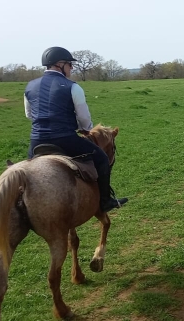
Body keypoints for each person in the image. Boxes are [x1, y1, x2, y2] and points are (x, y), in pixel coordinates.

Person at [24, 46, 128, 212]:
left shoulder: (30, 86)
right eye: (69, 64)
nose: (71, 68)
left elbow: (29, 115)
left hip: (36, 141)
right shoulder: (72, 87)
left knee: (25, 172)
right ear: (59, 64)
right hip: (65, 139)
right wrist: (84, 129)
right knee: (101, 158)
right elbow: (84, 118)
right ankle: (106, 201)